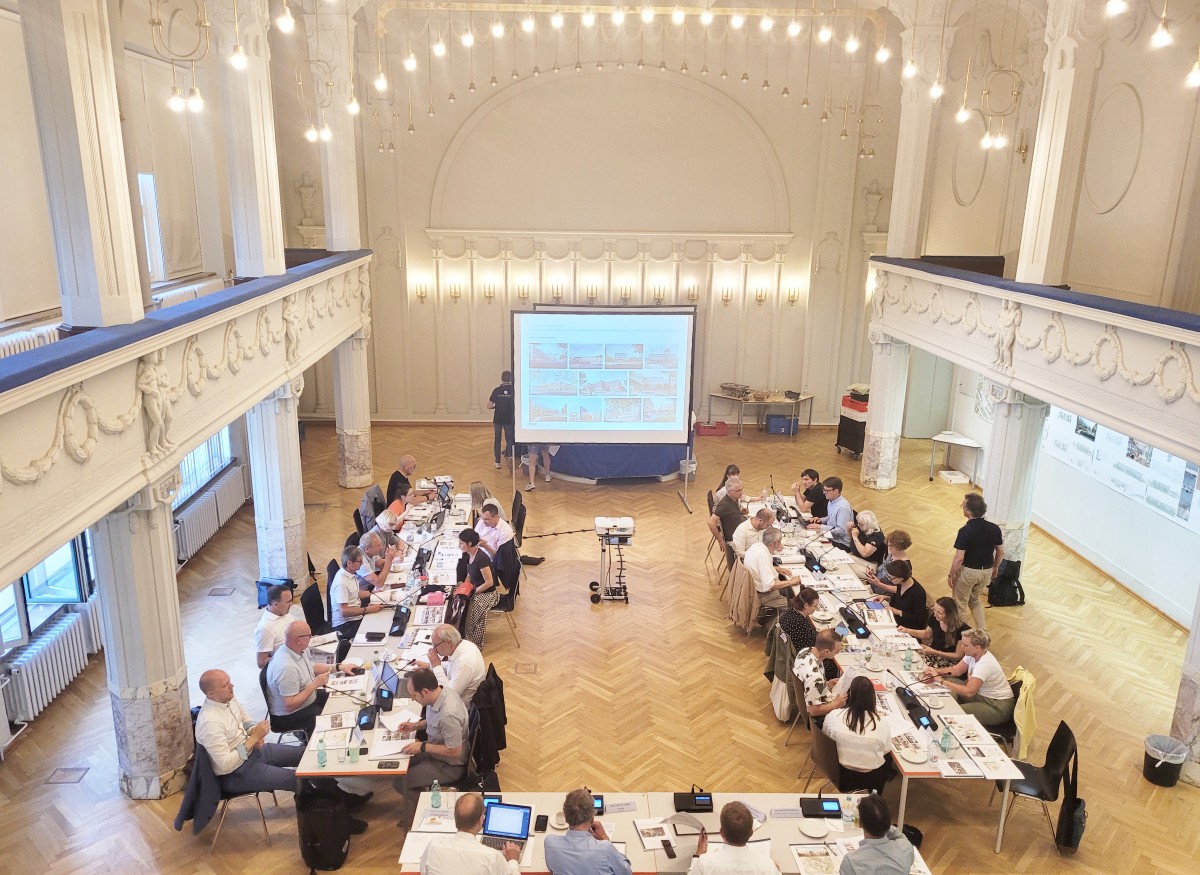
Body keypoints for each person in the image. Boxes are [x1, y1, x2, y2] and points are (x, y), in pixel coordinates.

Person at [194, 669, 370, 831]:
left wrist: (253, 731)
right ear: (211, 694)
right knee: (298, 780)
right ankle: (336, 820)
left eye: (229, 681)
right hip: (238, 772)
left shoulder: (228, 699)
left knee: (308, 756)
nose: (232, 686)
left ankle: (341, 798)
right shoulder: (210, 723)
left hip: (254, 751)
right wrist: (253, 739)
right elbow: (225, 765)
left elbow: (245, 720)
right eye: (226, 685)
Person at [394, 668, 469, 820]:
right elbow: (435, 721)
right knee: (400, 762)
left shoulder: (449, 715)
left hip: (448, 766)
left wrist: (422, 747)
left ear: (425, 691)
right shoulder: (441, 693)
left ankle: (421, 809)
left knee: (400, 782)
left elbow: (455, 751)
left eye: (414, 695)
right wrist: (416, 726)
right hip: (435, 752)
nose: (412, 699)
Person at [264, 622, 355, 737]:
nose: (311, 638)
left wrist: (339, 667)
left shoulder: (298, 648)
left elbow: (313, 667)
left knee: (340, 699)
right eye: (309, 635)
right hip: (291, 714)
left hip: (308, 697)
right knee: (330, 718)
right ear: (298, 640)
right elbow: (289, 705)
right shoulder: (286, 668)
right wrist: (315, 684)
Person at [922, 629, 1015, 726]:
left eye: (965, 645)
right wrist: (934, 671)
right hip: (981, 695)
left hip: (996, 706)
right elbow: (956, 670)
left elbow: (969, 692)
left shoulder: (984, 665)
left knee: (954, 712)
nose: (962, 647)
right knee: (948, 682)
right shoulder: (973, 654)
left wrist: (940, 681)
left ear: (977, 648)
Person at [823, 676, 894, 793]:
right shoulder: (882, 723)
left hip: (841, 774)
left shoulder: (834, 716)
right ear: (872, 698)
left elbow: (826, 738)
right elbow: (886, 750)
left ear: (850, 695)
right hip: (872, 778)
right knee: (888, 757)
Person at [420, 792, 520, 874]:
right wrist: (513, 860)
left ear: (456, 817)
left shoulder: (433, 846)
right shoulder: (492, 856)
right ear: (480, 820)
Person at [544, 787, 633, 875]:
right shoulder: (605, 848)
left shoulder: (550, 843)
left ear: (566, 818)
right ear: (592, 818)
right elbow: (626, 872)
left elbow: (551, 869)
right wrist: (604, 838)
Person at [949, 493, 1004, 631]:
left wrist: (951, 575)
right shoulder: (994, 528)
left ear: (968, 510)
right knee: (974, 600)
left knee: (960, 603)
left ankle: (960, 637)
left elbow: (959, 558)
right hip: (986, 571)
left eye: (963, 505)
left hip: (968, 572)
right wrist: (995, 568)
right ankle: (982, 632)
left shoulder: (965, 531)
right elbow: (1000, 551)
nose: (962, 508)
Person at [688, 801, 776, 874]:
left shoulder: (704, 863)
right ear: (751, 832)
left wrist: (698, 854)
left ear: (722, 832)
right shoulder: (768, 866)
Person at [838, 794, 914, 875]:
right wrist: (882, 821)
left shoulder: (851, 862)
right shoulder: (905, 848)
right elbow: (899, 835)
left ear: (860, 823)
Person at [416, 623, 486, 706]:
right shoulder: (463, 645)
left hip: (458, 708)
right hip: (454, 698)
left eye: (435, 645)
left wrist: (436, 666)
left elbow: (449, 695)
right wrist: (430, 666)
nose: (434, 649)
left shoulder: (465, 662)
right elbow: (452, 667)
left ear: (448, 642)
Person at [792, 629, 847, 726]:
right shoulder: (815, 677)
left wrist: (825, 684)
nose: (838, 653)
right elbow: (812, 711)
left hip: (812, 696)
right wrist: (836, 704)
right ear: (826, 651)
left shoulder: (806, 651)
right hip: (819, 718)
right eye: (837, 651)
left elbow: (808, 684)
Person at [458, 529, 501, 648]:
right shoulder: (469, 555)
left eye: (461, 543)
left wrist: (472, 593)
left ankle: (472, 643)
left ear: (470, 544)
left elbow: (489, 582)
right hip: (475, 588)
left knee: (470, 613)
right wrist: (464, 587)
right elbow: (469, 574)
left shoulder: (481, 559)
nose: (459, 545)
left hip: (487, 594)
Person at [330, 546, 383, 637]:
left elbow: (355, 593)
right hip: (346, 625)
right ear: (349, 563)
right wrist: (366, 610)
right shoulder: (341, 583)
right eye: (359, 561)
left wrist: (373, 593)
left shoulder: (350, 574)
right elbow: (344, 611)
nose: (362, 564)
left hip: (355, 616)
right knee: (378, 629)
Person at [903, 597, 971, 667]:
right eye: (934, 610)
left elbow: (957, 656)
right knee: (907, 659)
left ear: (949, 615)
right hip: (933, 652)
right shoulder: (935, 618)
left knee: (919, 666)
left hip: (947, 660)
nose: (935, 614)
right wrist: (907, 630)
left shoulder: (963, 630)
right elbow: (927, 634)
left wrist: (935, 652)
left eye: (939, 613)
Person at [743, 528, 795, 611]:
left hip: (753, 589)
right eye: (780, 541)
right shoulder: (763, 555)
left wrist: (776, 568)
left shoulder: (757, 546)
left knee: (790, 590)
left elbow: (758, 566)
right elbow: (770, 585)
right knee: (796, 606)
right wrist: (791, 582)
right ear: (775, 543)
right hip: (762, 595)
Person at [253, 584, 296, 668]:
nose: (291, 604)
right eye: (288, 602)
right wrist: (288, 659)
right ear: (276, 604)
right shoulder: (265, 629)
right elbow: (261, 662)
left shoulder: (284, 612)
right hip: (288, 666)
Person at [864, 530, 913, 597]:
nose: (889, 547)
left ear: (900, 547)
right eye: (888, 545)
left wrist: (878, 584)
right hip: (873, 587)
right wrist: (872, 573)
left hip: (883, 596)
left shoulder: (904, 565)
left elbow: (900, 589)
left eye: (891, 546)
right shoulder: (891, 554)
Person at [882, 560, 927, 630]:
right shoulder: (901, 583)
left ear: (902, 577)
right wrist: (886, 598)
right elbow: (899, 601)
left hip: (907, 628)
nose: (888, 579)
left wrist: (898, 612)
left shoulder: (917, 593)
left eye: (890, 577)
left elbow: (920, 619)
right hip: (895, 621)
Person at [807, 477, 853, 547]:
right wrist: (820, 520)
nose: (824, 493)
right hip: (830, 535)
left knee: (812, 545)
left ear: (836, 491)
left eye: (826, 490)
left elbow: (842, 531)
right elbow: (831, 517)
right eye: (823, 490)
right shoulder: (831, 500)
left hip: (840, 542)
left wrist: (820, 527)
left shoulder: (843, 508)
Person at [846, 510, 887, 579]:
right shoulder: (862, 527)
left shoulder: (876, 537)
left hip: (869, 565)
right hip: (855, 557)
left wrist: (855, 537)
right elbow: (850, 536)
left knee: (845, 568)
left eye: (861, 524)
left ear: (868, 525)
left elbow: (865, 553)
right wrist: (848, 528)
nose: (858, 525)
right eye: (858, 523)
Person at [708, 476, 747, 548]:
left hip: (740, 532)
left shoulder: (734, 498)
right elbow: (710, 522)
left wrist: (740, 513)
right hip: (735, 539)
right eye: (738, 490)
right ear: (730, 492)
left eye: (742, 489)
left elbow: (729, 515)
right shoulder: (724, 505)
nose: (742, 492)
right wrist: (720, 540)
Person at [778, 587, 821, 652]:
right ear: (806, 605)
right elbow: (810, 647)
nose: (816, 608)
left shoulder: (790, 612)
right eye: (815, 606)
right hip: (805, 654)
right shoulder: (800, 624)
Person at [488, 370, 515, 470]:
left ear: (501, 378)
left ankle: (497, 461)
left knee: (497, 439)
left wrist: (497, 406)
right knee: (509, 438)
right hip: (509, 418)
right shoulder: (514, 390)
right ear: (511, 379)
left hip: (498, 418)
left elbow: (489, 406)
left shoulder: (496, 391)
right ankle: (510, 456)